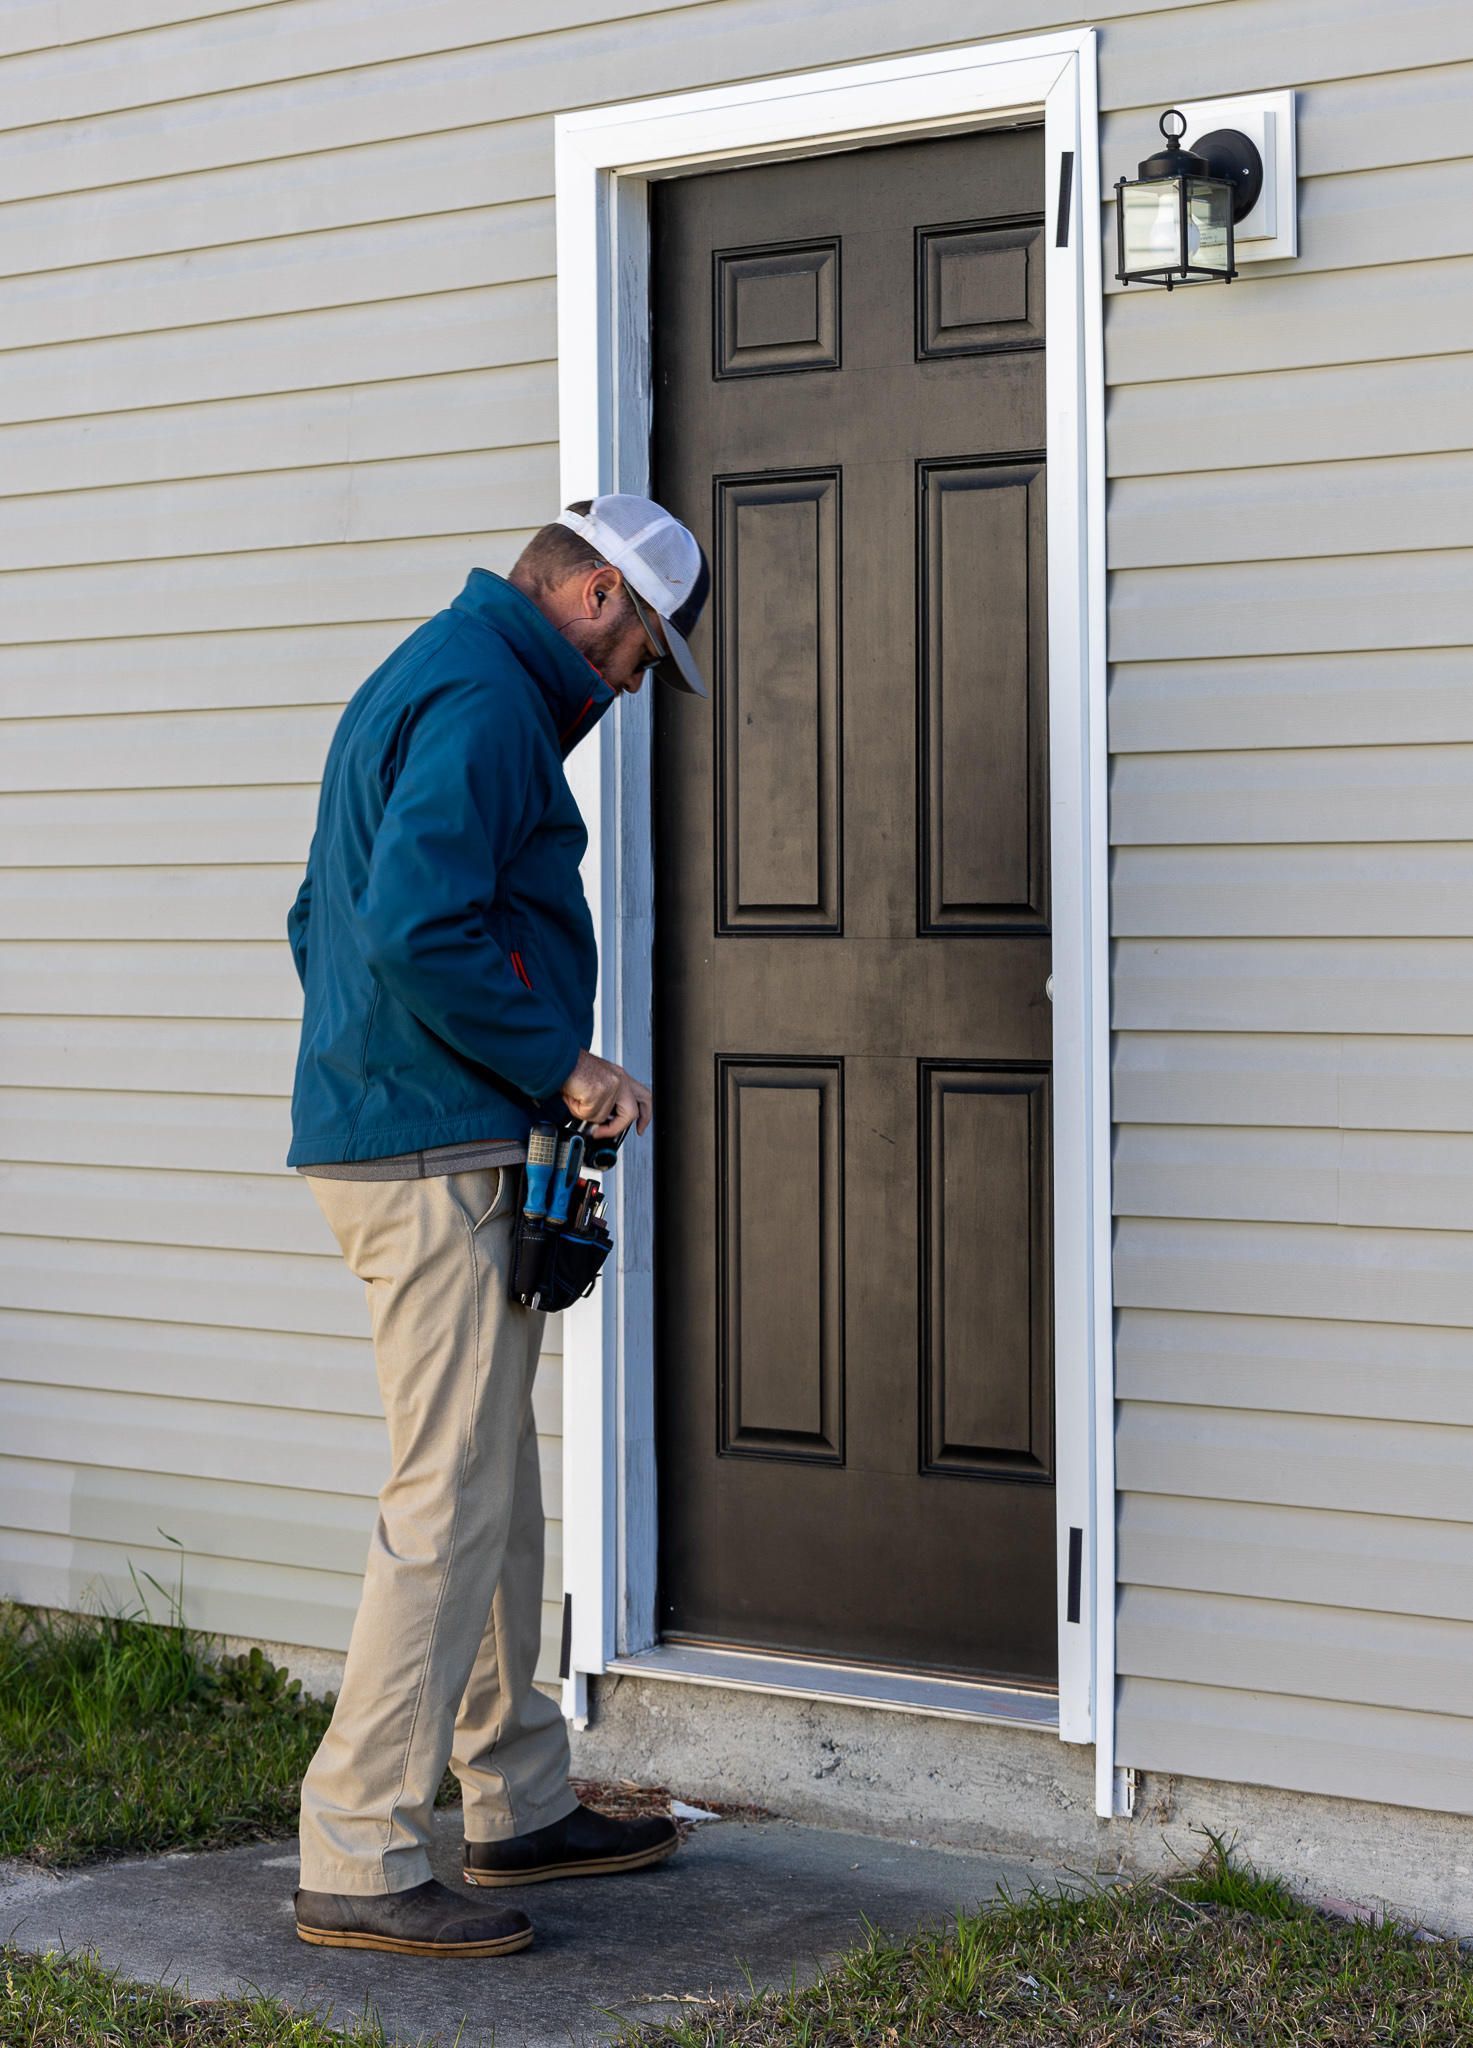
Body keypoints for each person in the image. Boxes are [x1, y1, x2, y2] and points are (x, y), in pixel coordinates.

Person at [283, 494, 711, 1958]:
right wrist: (558, 1063)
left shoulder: (443, 674)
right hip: (429, 1150)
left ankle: (514, 1796)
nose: (636, 681)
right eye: (642, 649)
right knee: (445, 1502)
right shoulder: (482, 697)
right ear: (595, 596)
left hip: (414, 1126)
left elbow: (316, 919)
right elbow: (411, 923)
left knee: (491, 1489)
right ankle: (357, 1851)